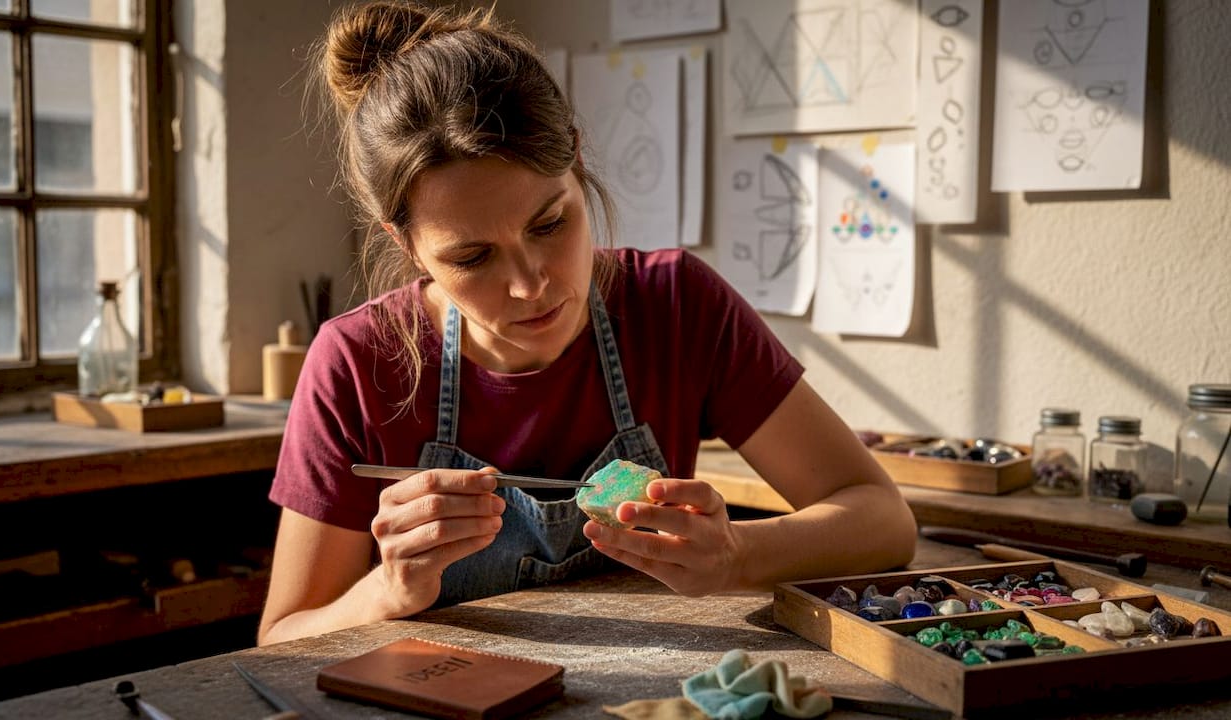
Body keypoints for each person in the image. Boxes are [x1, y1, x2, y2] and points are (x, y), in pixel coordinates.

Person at [257, 0, 916, 646]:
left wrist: (736, 554)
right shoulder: (356, 363)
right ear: (406, 245)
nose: (530, 284)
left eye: (549, 224)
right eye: (471, 258)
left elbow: (883, 519)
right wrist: (390, 590)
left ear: (576, 158)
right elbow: (281, 635)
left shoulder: (675, 306)